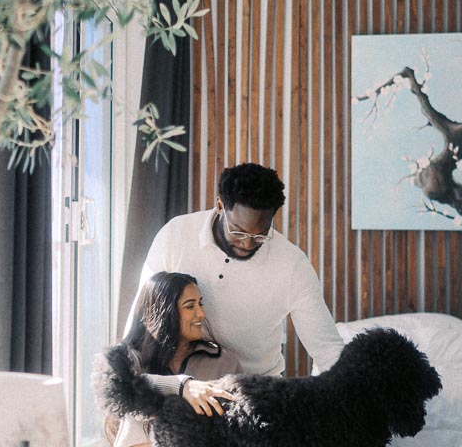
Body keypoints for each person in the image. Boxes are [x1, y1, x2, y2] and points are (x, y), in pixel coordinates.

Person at [72, 271, 264, 447]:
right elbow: (120, 388)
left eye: (200, 304)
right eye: (190, 306)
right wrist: (181, 386)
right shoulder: (129, 358)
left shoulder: (224, 362)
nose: (200, 314)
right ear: (163, 313)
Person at [133, 162, 346, 395]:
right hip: (177, 385)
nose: (247, 244)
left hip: (255, 391)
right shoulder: (176, 234)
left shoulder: (292, 264)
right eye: (237, 231)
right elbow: (141, 316)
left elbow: (327, 348)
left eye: (260, 235)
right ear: (220, 206)